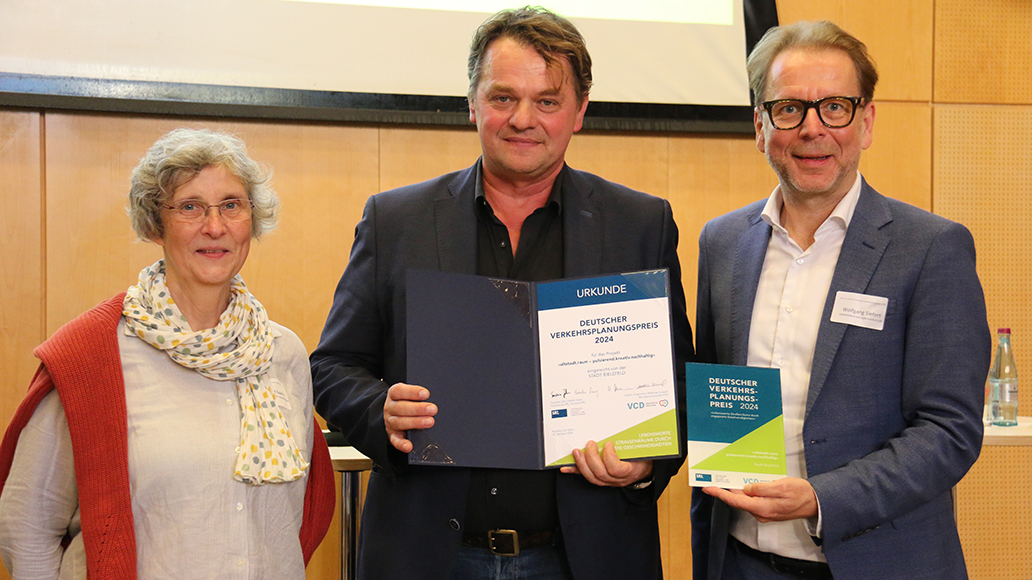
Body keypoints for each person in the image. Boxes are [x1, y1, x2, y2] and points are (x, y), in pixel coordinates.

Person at [310, 7, 693, 580]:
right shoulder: (396, 221)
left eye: (547, 100)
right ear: (472, 102)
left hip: (584, 557)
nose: (523, 119)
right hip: (427, 556)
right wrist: (380, 411)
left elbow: (679, 382)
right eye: (503, 97)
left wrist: (643, 463)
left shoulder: (639, 224)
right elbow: (334, 365)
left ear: (580, 112)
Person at [690, 20, 990, 580]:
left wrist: (819, 497)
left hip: (877, 563)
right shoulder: (722, 242)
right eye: (789, 109)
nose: (812, 129)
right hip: (739, 563)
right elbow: (712, 398)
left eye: (835, 107)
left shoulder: (931, 248)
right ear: (759, 125)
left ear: (867, 121)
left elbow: (949, 431)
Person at [0, 128, 335, 579]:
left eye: (232, 205)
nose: (214, 227)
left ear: (252, 220)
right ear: (155, 223)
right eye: (190, 206)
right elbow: (26, 523)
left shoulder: (283, 354)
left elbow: (296, 520)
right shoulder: (94, 356)